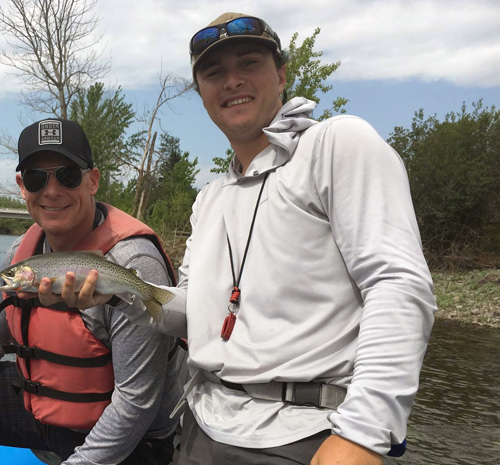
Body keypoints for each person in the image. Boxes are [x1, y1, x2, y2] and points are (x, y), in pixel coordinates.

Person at [52, 12, 437, 465]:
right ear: (202, 95)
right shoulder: (210, 198)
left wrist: (363, 434)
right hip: (200, 427)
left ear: (281, 75)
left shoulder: (337, 144)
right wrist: (116, 294)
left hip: (308, 433)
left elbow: (397, 284)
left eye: (249, 63)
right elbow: (193, 313)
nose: (231, 81)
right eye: (214, 73)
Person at [0, 118, 182, 465]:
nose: (51, 191)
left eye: (68, 175)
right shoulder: (21, 254)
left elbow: (136, 403)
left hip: (134, 439)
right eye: (36, 178)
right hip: (43, 413)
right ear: (21, 187)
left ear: (93, 181)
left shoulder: (134, 262)